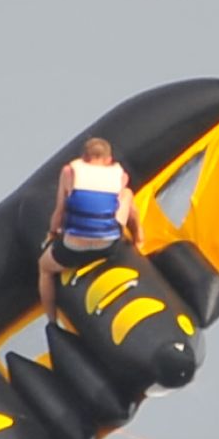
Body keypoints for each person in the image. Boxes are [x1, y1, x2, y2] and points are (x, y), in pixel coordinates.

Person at [38, 137, 141, 327]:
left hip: (74, 246)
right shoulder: (119, 175)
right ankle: (139, 240)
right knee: (127, 196)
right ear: (109, 159)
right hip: (107, 244)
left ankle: (52, 321)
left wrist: (52, 234)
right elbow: (130, 213)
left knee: (45, 268)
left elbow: (60, 210)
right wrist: (135, 237)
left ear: (84, 158)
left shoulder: (69, 172)